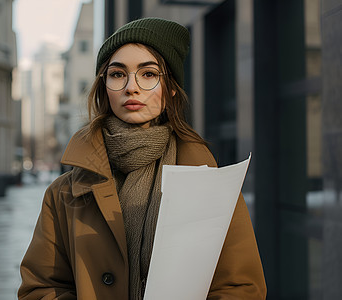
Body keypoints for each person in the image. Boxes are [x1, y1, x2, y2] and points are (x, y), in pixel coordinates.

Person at [18, 17, 266, 300]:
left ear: (171, 86)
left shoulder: (211, 183)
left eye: (148, 74)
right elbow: (39, 289)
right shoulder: (63, 194)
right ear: (104, 86)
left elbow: (241, 288)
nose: (131, 88)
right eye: (117, 74)